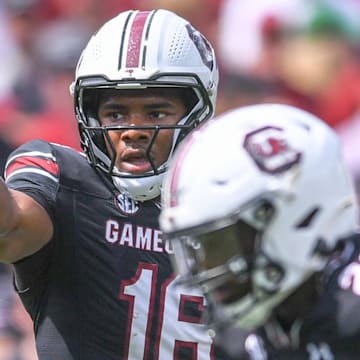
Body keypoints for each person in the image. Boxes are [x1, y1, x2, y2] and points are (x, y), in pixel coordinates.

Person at [0, 8, 227, 360]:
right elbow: (10, 227)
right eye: (116, 114)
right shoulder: (66, 183)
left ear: (196, 112)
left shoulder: (236, 203)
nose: (132, 130)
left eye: (155, 113)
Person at [160, 103, 360, 359]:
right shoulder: (241, 333)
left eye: (218, 244)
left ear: (295, 220)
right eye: (199, 248)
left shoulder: (351, 314)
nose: (208, 266)